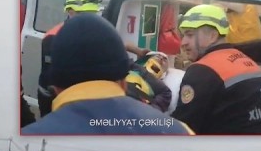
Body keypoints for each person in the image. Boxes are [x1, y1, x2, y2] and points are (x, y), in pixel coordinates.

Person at [21, 14, 194, 135]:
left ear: (56, 88)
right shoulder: (179, 132)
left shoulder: (30, 136)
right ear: (123, 81)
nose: (160, 62)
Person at [171, 4, 261, 134]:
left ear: (212, 36)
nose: (183, 42)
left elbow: (182, 126)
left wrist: (155, 119)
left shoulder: (203, 69)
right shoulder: (247, 61)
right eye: (183, 36)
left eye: (190, 35)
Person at [37, 0, 102, 117]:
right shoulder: (53, 37)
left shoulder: (92, 33)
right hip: (53, 98)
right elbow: (52, 78)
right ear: (70, 12)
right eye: (85, 14)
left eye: (92, 14)